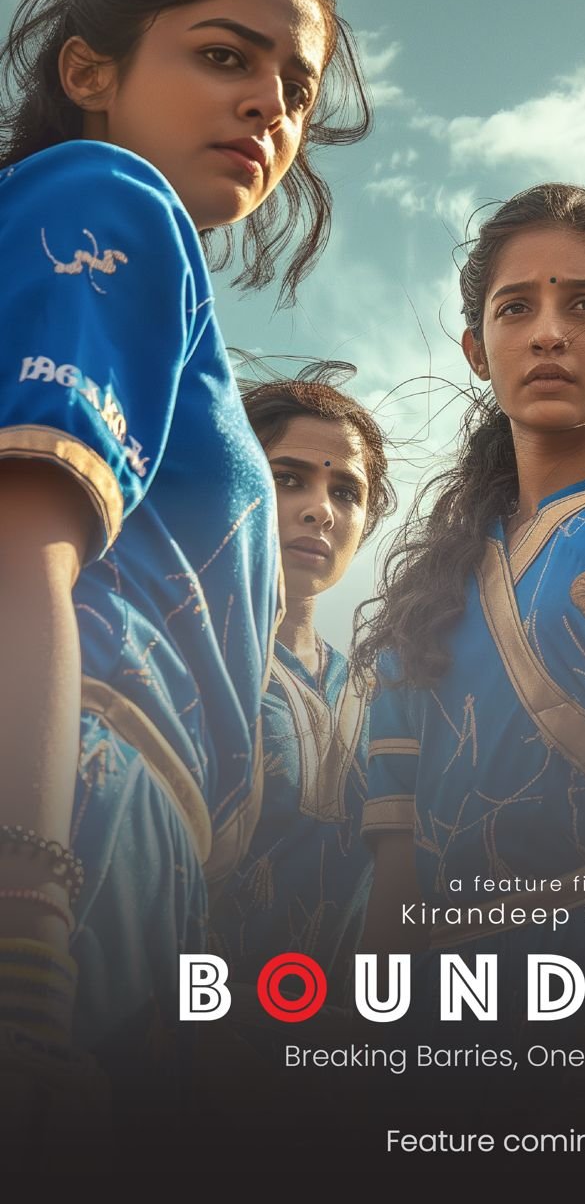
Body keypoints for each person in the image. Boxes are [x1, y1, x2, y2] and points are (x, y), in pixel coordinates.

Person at [0, 0, 370, 1100]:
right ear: (89, 72)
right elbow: (22, 545)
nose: (270, 104)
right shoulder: (109, 194)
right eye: (223, 56)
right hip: (66, 806)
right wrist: (24, 925)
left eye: (295, 88)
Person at [359, 183, 585, 1024]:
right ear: (477, 350)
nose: (549, 333)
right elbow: (395, 881)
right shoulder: (425, 597)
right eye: (516, 309)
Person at [211, 363, 392, 991]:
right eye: (288, 479)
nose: (320, 510)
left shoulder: (390, 696)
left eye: (346, 492)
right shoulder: (179, 660)